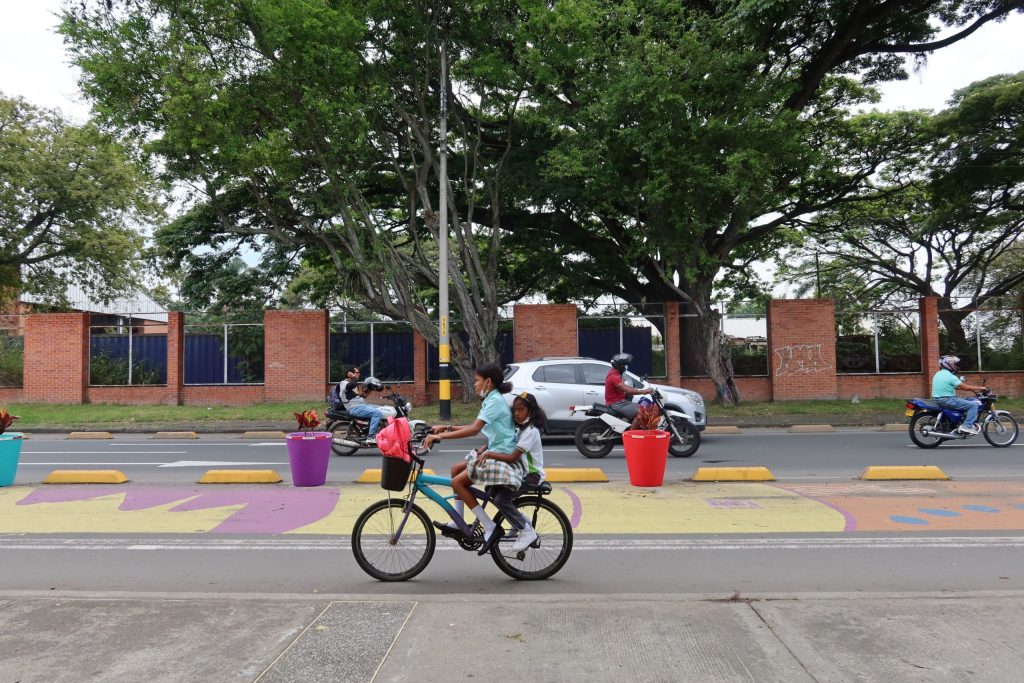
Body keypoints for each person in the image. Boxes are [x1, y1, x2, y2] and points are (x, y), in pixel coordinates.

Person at [423, 362, 517, 555]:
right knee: (455, 469)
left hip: (500, 455)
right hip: (493, 449)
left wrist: (440, 436)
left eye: (476, 381)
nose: (474, 385)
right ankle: (458, 519)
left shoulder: (494, 401)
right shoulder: (492, 398)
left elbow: (474, 430)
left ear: (488, 382)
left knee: (457, 483)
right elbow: (476, 426)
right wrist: (446, 427)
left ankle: (489, 526)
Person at [480, 391, 548, 553]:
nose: (516, 414)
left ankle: (526, 530)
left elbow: (512, 457)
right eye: (515, 410)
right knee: (491, 489)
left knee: (501, 500)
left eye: (521, 410)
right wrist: (487, 447)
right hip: (520, 472)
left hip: (530, 477)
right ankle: (521, 522)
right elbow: (505, 445)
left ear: (530, 412)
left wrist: (489, 454)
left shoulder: (531, 432)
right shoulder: (521, 429)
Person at [932, 355, 988, 435]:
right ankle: (966, 426)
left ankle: (957, 423)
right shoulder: (950, 376)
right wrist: (980, 388)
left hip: (938, 399)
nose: (955, 366)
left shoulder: (938, 374)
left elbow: (956, 387)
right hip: (947, 400)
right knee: (973, 405)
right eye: (954, 364)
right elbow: (964, 387)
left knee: (965, 401)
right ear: (948, 364)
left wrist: (972, 389)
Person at [605, 352, 651, 421]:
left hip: (619, 402)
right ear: (619, 366)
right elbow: (628, 390)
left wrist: (636, 390)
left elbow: (625, 388)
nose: (625, 367)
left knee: (641, 407)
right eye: (624, 365)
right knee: (642, 413)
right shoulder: (614, 376)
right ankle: (631, 432)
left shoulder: (614, 373)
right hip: (617, 404)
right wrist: (644, 391)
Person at [345, 373, 384, 444]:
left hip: (360, 405)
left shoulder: (354, 385)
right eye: (356, 372)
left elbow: (360, 396)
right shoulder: (348, 384)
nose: (359, 374)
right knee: (377, 413)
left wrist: (369, 389)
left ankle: (371, 428)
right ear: (350, 374)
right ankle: (370, 436)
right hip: (355, 407)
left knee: (382, 408)